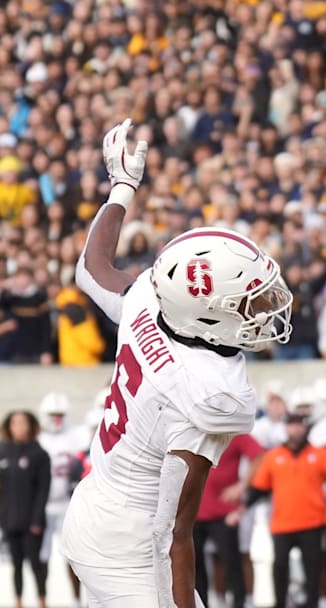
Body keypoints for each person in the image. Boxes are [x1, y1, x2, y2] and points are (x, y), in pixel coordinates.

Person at [60, 120, 293, 608]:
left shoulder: (152, 299)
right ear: (207, 317)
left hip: (100, 501)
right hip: (129, 546)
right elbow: (172, 534)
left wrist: (121, 188)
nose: (265, 309)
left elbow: (91, 268)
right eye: (246, 304)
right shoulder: (207, 394)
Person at [249, 412, 326, 608]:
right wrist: (240, 506)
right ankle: (280, 603)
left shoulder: (319, 454)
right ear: (286, 428)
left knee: (313, 569)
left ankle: (313, 603)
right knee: (279, 567)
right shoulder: (274, 456)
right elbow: (259, 488)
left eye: (299, 425)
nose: (296, 429)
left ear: (305, 428)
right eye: (292, 425)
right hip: (282, 522)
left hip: (312, 521)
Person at [193, 433, 264, 608]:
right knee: (194, 567)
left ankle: (239, 603)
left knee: (232, 562)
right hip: (194, 511)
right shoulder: (192, 430)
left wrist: (242, 486)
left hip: (223, 511)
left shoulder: (231, 432)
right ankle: (201, 603)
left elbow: (260, 456)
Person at [35, 392, 88, 604]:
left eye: (60, 414)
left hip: (69, 503)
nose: (56, 418)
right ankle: (42, 598)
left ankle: (77, 599)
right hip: (44, 504)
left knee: (73, 555)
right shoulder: (38, 438)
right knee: (42, 555)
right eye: (52, 414)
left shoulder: (78, 435)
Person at [0, 410, 51, 608]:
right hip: (10, 521)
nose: (19, 427)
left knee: (36, 565)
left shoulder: (39, 454)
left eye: (23, 423)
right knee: (16, 564)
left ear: (31, 426)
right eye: (15, 423)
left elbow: (43, 489)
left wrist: (37, 520)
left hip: (32, 522)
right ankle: (18, 601)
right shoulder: (3, 453)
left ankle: (42, 600)